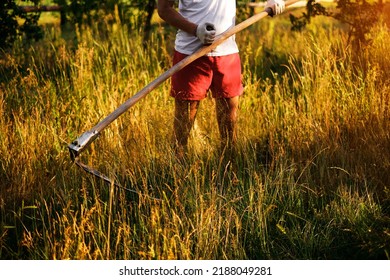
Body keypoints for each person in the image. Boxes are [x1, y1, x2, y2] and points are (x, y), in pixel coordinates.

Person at [157, 0, 285, 159]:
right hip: (190, 53)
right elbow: (163, 10)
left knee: (229, 117)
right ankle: (176, 168)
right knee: (185, 117)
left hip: (226, 52)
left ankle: (229, 169)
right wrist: (195, 30)